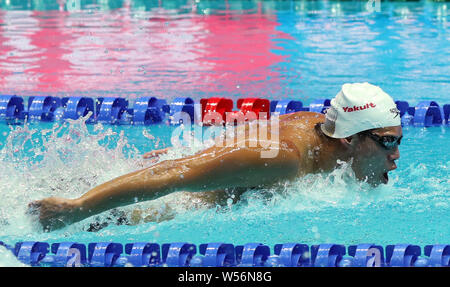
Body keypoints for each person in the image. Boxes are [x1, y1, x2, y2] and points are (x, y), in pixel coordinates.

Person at [28, 82, 403, 231]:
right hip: (142, 209)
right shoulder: (285, 159)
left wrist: (197, 155)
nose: (396, 156)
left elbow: (231, 143)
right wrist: (76, 208)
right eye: (387, 143)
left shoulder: (315, 124)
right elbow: (175, 174)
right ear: (350, 140)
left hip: (166, 170)